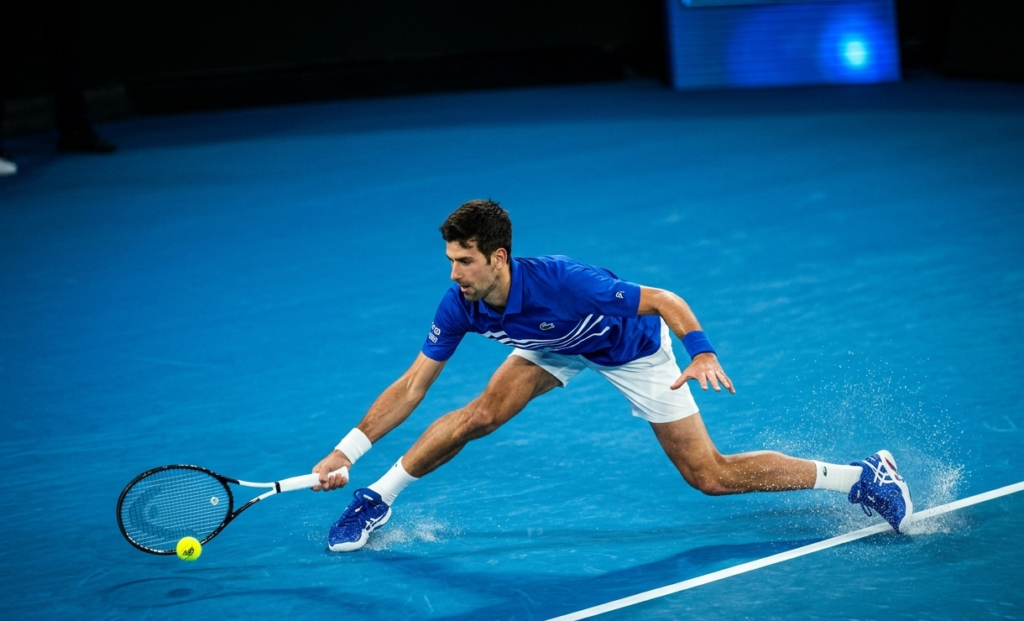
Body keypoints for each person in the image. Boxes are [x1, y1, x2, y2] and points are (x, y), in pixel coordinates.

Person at [312, 199, 913, 552]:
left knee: (709, 476)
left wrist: (700, 351)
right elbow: (413, 385)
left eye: (464, 261)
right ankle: (375, 497)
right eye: (449, 261)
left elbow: (666, 299)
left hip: (630, 350)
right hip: (551, 346)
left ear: (497, 257)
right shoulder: (461, 304)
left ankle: (861, 476)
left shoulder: (567, 281)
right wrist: (347, 451)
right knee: (480, 414)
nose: (454, 275)